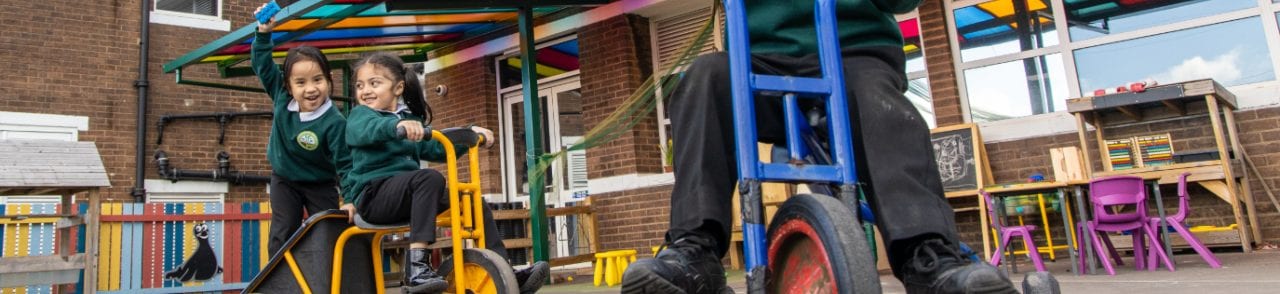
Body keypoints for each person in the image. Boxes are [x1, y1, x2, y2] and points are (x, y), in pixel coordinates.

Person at [621, 1, 1038, 293]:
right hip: (759, 59)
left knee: (879, 102)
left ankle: (927, 256)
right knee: (703, 79)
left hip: (853, 52)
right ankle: (695, 252)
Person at [343, 52, 549, 294]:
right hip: (373, 196)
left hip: (407, 195)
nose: (365, 90)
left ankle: (503, 269)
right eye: (360, 85)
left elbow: (438, 149)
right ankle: (417, 266)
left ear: (398, 87)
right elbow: (369, 129)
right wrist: (395, 126)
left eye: (374, 83)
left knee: (471, 201)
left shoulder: (408, 119)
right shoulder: (361, 116)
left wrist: (469, 134)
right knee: (429, 178)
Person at [251, 4, 353, 256]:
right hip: (284, 178)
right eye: (301, 82)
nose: (311, 89)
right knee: (283, 230)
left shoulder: (335, 122)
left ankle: (329, 277)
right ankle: (278, 282)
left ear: (329, 79)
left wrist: (350, 198)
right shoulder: (281, 97)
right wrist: (263, 32)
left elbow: (346, 164)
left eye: (317, 80)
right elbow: (263, 65)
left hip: (320, 183)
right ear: (288, 85)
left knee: (329, 229)